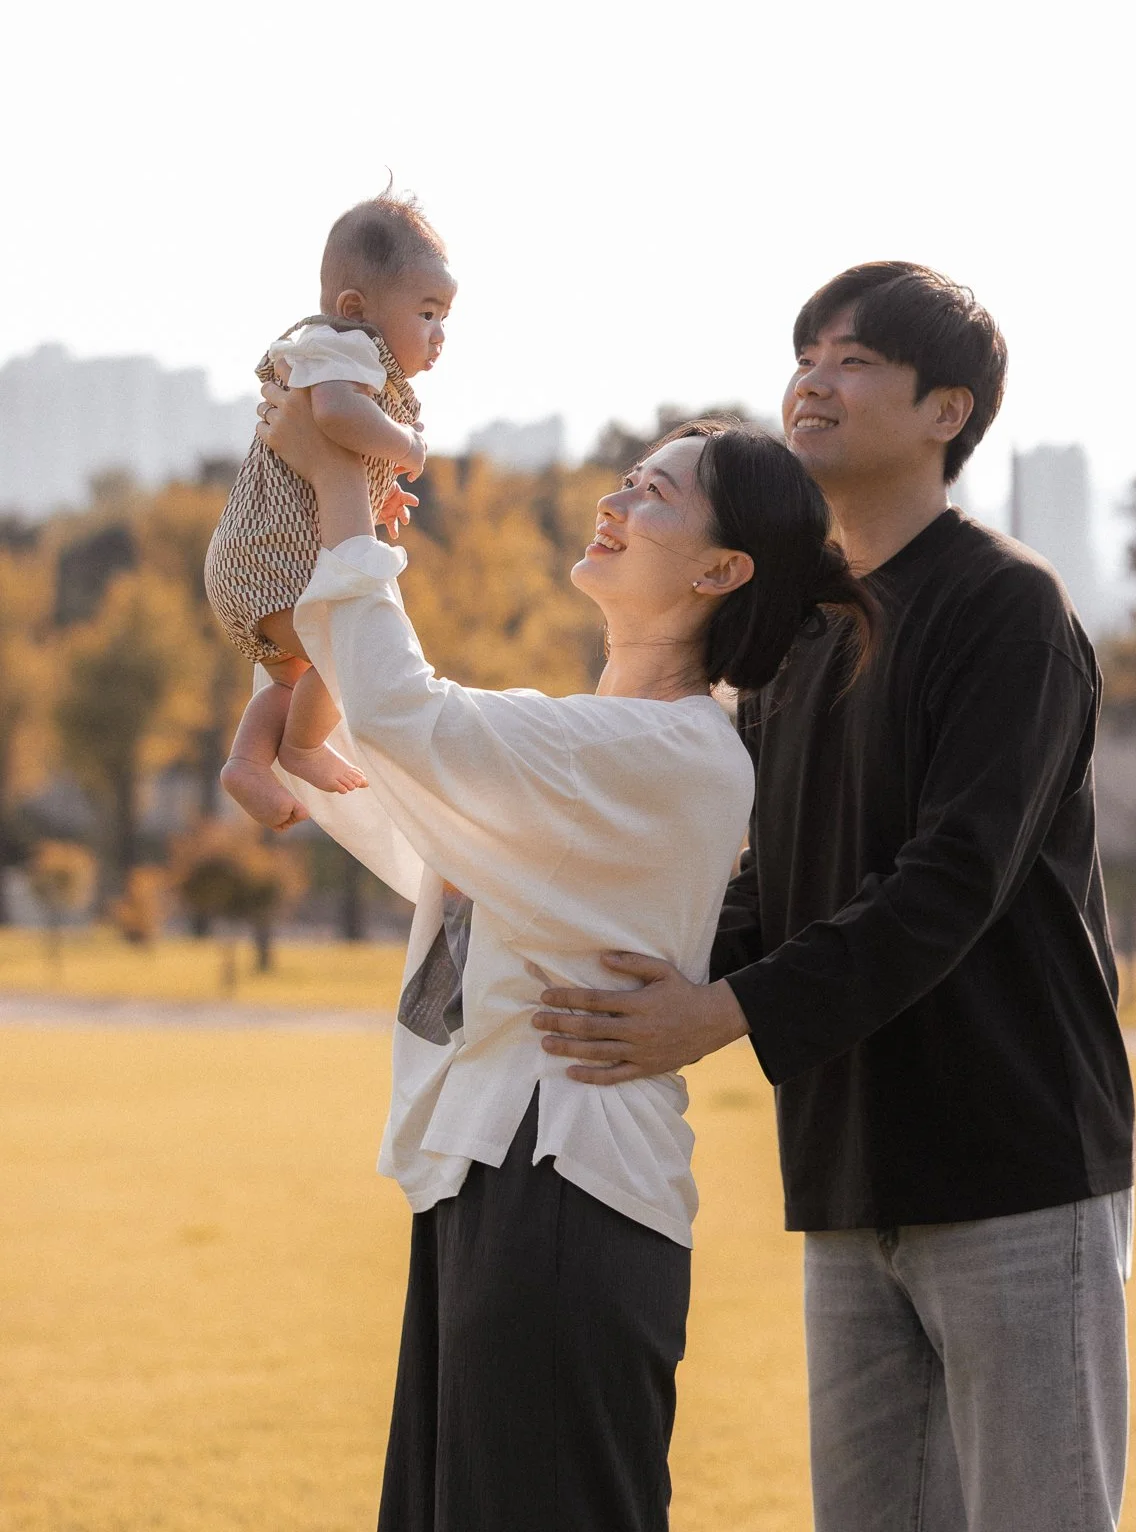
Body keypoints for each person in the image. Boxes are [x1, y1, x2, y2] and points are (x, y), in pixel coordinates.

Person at [535, 261, 1136, 1532]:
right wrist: (639, 954)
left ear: (947, 411)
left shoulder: (1008, 607)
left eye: (857, 357)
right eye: (808, 350)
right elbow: (771, 872)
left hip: (1017, 1165)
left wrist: (726, 1009)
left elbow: (950, 880)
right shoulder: (800, 635)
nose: (815, 375)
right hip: (849, 1171)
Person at [254, 381, 876, 1532]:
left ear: (720, 570)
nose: (616, 498)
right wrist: (300, 661)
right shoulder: (603, 742)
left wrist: (344, 488)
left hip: (562, 1190)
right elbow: (407, 804)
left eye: (658, 491)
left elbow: (408, 720)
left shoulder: (672, 751)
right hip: (490, 1176)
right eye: (628, 476)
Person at [205, 190, 452, 830]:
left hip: (251, 565)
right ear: (355, 307)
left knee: (296, 678)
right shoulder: (344, 345)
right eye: (426, 312)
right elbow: (338, 417)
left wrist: (379, 490)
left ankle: (248, 762)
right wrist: (406, 447)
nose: (439, 334)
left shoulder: (357, 366)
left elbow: (333, 452)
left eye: (445, 315)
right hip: (276, 560)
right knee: (343, 655)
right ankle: (302, 746)